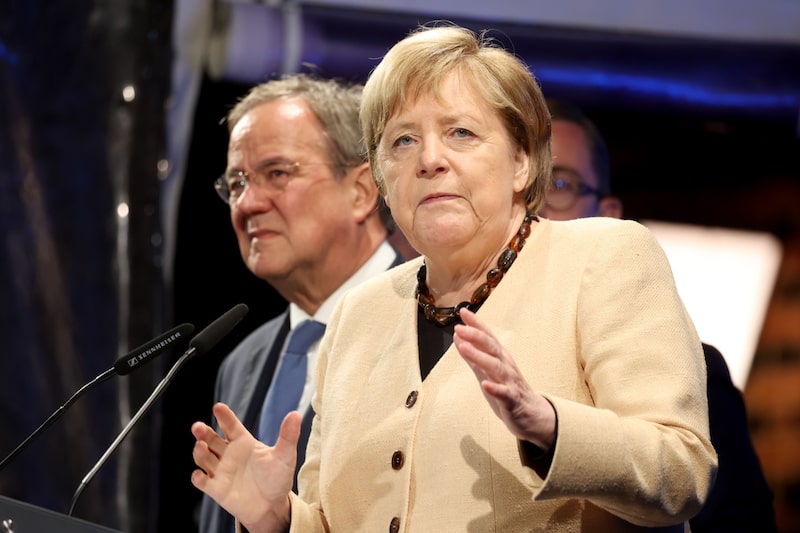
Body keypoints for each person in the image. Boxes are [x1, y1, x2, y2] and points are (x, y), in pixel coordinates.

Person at [190, 23, 717, 532]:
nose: (429, 160)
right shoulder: (357, 313)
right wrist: (280, 519)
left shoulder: (603, 257)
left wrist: (550, 427)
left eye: (460, 133)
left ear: (521, 163)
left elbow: (683, 471)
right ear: (380, 182)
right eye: (402, 142)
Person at [542, 97, 777, 532]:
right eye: (525, 186)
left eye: (559, 185)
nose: (536, 206)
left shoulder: (695, 374)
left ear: (609, 214)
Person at [198, 73, 405, 533]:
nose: (247, 204)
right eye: (236, 184)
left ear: (362, 191)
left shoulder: (430, 325)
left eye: (276, 174)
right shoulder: (241, 361)